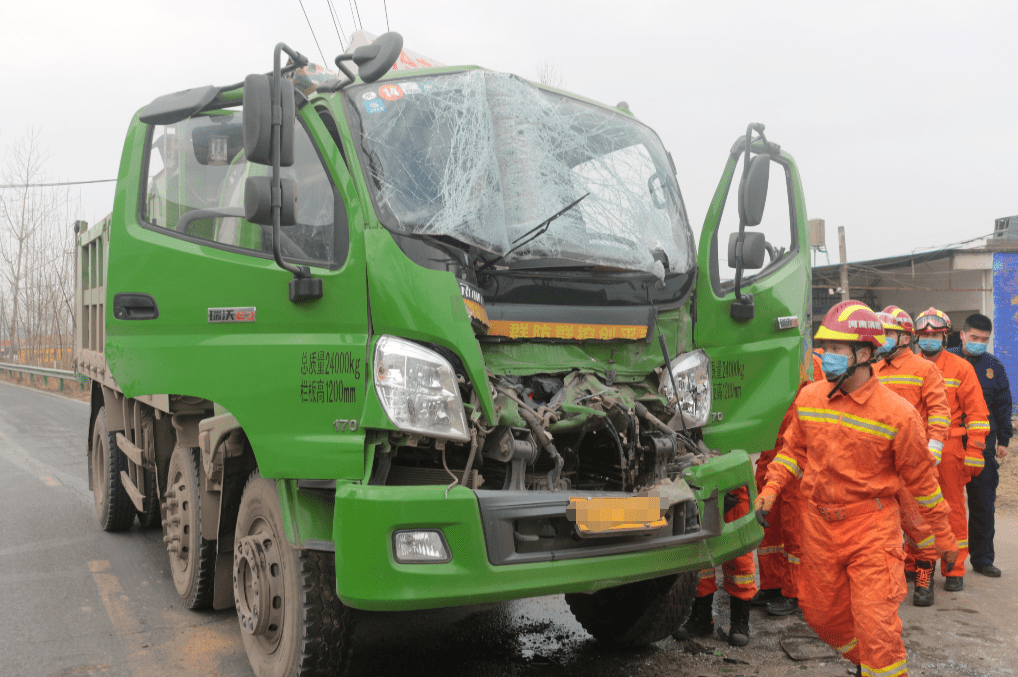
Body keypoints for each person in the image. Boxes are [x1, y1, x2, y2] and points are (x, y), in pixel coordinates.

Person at [755, 301, 957, 677]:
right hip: (818, 527)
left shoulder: (896, 414)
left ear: (864, 353)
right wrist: (771, 487)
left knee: (875, 623)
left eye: (836, 349)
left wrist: (941, 537)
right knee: (820, 616)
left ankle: (880, 665)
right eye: (825, 348)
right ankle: (869, 664)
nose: (826, 357)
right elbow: (792, 452)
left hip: (871, 530)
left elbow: (923, 485)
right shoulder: (810, 398)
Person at [873, 306, 951, 607]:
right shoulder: (873, 370)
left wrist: (934, 447)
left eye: (888, 334)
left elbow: (939, 411)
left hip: (911, 462)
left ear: (905, 337)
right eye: (879, 335)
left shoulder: (925, 369)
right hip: (879, 462)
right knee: (880, 524)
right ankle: (887, 577)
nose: (882, 340)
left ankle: (924, 577)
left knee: (918, 524)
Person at [913, 307, 990, 591]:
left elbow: (978, 414)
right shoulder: (908, 367)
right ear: (917, 336)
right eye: (925, 334)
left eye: (935, 334)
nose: (929, 338)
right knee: (914, 510)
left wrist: (975, 452)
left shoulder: (961, 368)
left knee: (952, 511)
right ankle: (916, 565)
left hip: (949, 448)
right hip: (916, 450)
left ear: (945, 337)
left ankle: (954, 568)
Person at [750, 351, 825, 616]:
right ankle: (772, 584)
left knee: (795, 528)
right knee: (768, 526)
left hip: (797, 453)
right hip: (770, 451)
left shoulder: (808, 362)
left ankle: (795, 592)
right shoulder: (763, 357)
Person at [950, 313, 1012, 578]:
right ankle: (938, 560)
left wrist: (1004, 440)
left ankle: (983, 558)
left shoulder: (993, 366)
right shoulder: (947, 360)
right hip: (950, 441)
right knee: (945, 504)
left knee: (983, 502)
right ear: (962, 335)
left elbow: (1002, 404)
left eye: (984, 339)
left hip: (983, 443)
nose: (978, 343)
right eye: (973, 337)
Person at [674, 486, 756, 646]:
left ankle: (740, 622)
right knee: (700, 552)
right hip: (700, 485)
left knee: (738, 555)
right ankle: (701, 618)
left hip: (733, 486)